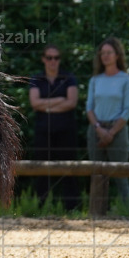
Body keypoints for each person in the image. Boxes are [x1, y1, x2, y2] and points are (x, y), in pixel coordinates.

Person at [85, 36, 129, 209]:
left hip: (118, 131)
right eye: (102, 53)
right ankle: (98, 214)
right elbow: (89, 108)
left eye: (109, 52)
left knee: (120, 175)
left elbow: (128, 109)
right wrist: (99, 129)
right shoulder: (95, 80)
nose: (105, 56)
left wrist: (111, 133)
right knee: (97, 174)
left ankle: (127, 213)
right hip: (96, 130)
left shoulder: (127, 80)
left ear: (117, 55)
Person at [28, 44, 80, 210]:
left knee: (69, 170)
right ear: (44, 59)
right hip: (43, 131)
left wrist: (47, 105)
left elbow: (72, 102)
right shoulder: (36, 78)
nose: (52, 61)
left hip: (66, 131)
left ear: (59, 60)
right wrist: (59, 100)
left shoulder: (69, 77)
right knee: (42, 170)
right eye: (49, 58)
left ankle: (72, 209)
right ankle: (41, 209)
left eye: (56, 58)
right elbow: (34, 103)